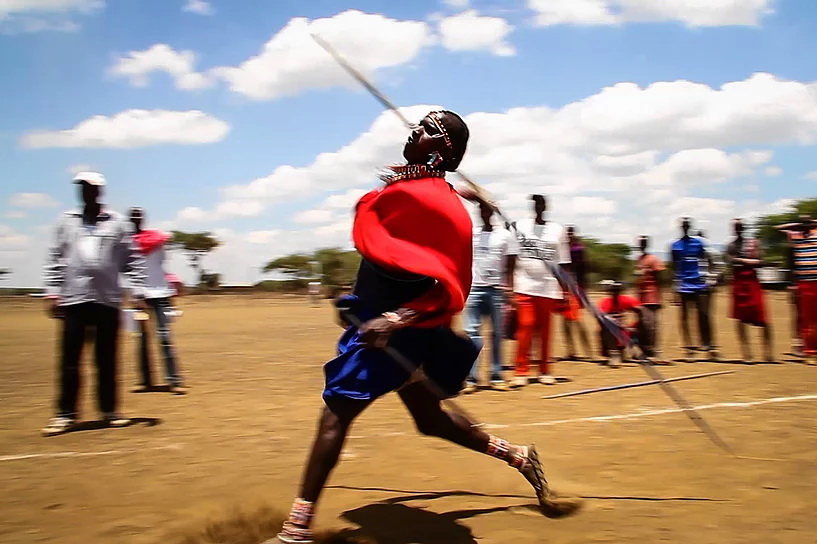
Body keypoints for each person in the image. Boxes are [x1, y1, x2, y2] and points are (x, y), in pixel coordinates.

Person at [267, 111, 572, 544]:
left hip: (402, 331)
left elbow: (448, 286)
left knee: (336, 411)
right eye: (419, 124)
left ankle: (296, 531)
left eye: (428, 129)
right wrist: (359, 302)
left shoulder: (442, 206)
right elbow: (391, 255)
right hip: (379, 323)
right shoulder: (414, 191)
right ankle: (519, 457)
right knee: (431, 420)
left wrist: (395, 318)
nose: (415, 130)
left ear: (442, 148)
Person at [41, 172, 146, 437]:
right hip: (74, 298)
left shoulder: (118, 223)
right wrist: (52, 292)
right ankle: (65, 415)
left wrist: (138, 291)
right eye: (81, 188)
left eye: (90, 188)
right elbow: (55, 257)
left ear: (99, 191)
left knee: (107, 359)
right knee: (70, 360)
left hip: (107, 299)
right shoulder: (66, 221)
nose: (85, 192)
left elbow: (132, 259)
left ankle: (110, 411)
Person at [506, 194, 571, 387]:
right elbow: (511, 259)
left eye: (541, 203)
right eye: (535, 204)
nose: (538, 207)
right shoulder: (519, 227)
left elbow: (563, 263)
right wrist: (509, 288)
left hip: (548, 287)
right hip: (524, 285)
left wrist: (566, 290)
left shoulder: (557, 230)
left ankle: (544, 370)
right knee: (525, 326)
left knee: (545, 332)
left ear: (546, 207)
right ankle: (521, 371)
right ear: (532, 207)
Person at [128, 207, 186, 394]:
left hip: (161, 294)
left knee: (164, 336)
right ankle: (146, 381)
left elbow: (161, 265)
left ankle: (174, 381)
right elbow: (126, 272)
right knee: (142, 338)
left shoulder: (156, 240)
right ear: (129, 219)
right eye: (133, 216)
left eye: (138, 215)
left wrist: (172, 280)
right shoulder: (125, 243)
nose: (136, 218)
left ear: (143, 218)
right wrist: (136, 295)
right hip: (139, 298)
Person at [462, 200, 511, 393]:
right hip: (474, 288)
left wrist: (510, 289)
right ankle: (471, 378)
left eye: (487, 210)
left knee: (497, 334)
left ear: (492, 213)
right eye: (480, 210)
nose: (483, 213)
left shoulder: (504, 235)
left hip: (497, 290)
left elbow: (511, 262)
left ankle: (496, 375)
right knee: (472, 334)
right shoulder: (472, 234)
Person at [726, 219, 773, 362]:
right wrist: (746, 261)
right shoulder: (731, 245)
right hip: (739, 282)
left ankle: (768, 353)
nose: (738, 229)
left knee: (763, 317)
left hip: (752, 281)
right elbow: (730, 260)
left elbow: (761, 261)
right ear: (734, 229)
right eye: (736, 227)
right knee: (741, 319)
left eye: (740, 227)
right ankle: (746, 354)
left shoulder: (753, 243)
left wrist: (741, 261)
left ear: (744, 228)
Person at [671, 217, 718, 361]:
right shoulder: (675, 245)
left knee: (703, 315)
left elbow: (707, 260)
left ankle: (708, 345)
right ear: (681, 227)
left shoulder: (698, 243)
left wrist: (710, 278)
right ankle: (689, 347)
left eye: (687, 225)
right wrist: (675, 287)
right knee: (685, 317)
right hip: (683, 285)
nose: (685, 228)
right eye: (683, 225)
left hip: (699, 283)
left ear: (689, 227)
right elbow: (674, 267)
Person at [557, 226, 593, 361]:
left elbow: (582, 270)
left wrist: (581, 290)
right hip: (564, 288)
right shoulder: (562, 250)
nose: (568, 237)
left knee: (577, 320)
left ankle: (588, 352)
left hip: (575, 288)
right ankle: (571, 351)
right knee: (565, 321)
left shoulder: (577, 250)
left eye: (570, 234)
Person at [596, 281, 643, 368]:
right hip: (611, 331)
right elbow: (600, 317)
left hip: (623, 330)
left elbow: (639, 308)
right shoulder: (605, 302)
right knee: (608, 330)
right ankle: (614, 355)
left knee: (640, 327)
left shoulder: (624, 299)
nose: (615, 293)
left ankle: (636, 350)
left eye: (617, 291)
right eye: (613, 291)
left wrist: (636, 324)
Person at [790, 217, 817, 364]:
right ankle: (809, 352)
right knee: (807, 319)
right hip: (804, 283)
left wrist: (813, 222)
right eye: (803, 225)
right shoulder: (796, 236)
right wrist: (798, 225)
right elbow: (779, 227)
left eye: (808, 224)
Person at [634, 235, 665, 362]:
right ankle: (645, 350)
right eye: (640, 243)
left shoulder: (653, 259)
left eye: (643, 243)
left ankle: (654, 350)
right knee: (643, 324)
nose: (641, 245)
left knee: (651, 325)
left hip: (652, 296)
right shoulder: (638, 260)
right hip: (641, 296)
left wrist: (660, 296)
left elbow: (659, 279)